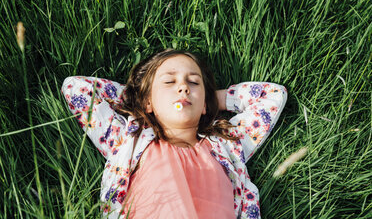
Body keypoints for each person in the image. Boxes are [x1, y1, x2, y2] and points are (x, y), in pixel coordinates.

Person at [61, 49, 287, 218]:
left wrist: (209, 99)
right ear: (148, 101)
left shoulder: (227, 146)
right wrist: (139, 98)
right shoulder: (129, 139)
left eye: (194, 82)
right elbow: (76, 88)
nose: (183, 88)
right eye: (169, 82)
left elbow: (272, 96)